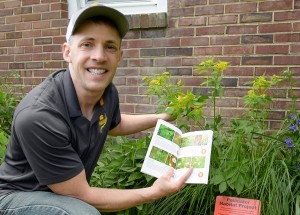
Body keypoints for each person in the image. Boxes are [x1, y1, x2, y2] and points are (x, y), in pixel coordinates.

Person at [0, 3, 192, 215]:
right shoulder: (39, 116)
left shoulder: (106, 93)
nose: (99, 56)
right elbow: (81, 195)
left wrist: (162, 117)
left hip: (60, 195)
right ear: (67, 52)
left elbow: (114, 124)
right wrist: (154, 191)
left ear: (119, 55)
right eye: (87, 44)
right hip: (15, 198)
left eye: (109, 46)